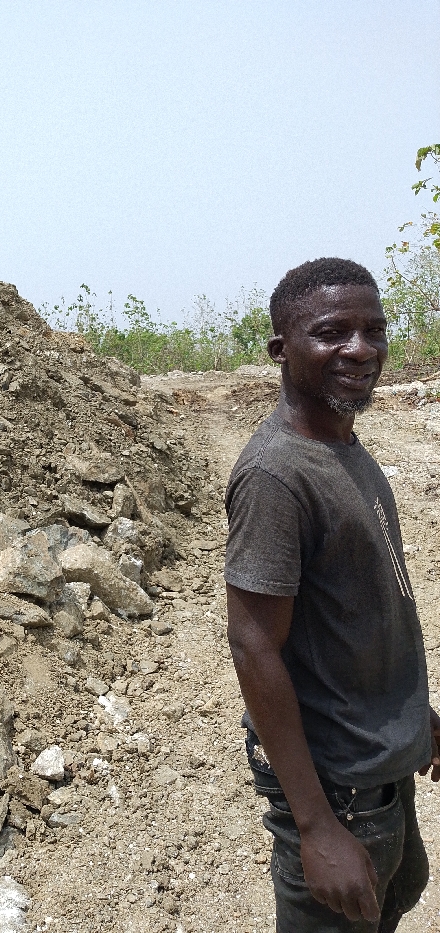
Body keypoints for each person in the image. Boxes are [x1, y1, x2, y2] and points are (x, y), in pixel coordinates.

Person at [224, 257, 440, 933]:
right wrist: (317, 828)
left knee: (397, 891)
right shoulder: (276, 476)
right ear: (281, 349)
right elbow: (254, 647)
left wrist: (414, 717)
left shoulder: (344, 446)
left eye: (373, 329)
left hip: (380, 764)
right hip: (339, 790)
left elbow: (361, 611)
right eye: (331, 332)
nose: (361, 348)